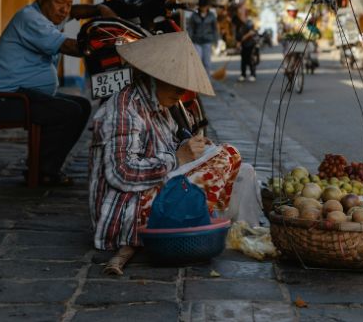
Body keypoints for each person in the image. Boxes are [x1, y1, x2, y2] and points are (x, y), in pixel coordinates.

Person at [89, 31, 255, 274]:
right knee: (226, 156)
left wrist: (195, 149)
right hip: (129, 210)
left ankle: (241, 234)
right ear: (152, 77)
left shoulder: (164, 105)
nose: (180, 91)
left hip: (156, 189)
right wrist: (177, 158)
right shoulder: (125, 108)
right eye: (173, 82)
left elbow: (172, 146)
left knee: (244, 171)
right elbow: (121, 172)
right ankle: (210, 225)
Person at [0, 0, 114, 186]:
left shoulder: (47, 15)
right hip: (6, 101)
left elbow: (74, 12)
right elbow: (69, 46)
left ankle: (45, 165)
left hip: (27, 95)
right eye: (59, 2)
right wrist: (108, 43)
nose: (64, 9)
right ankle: (42, 169)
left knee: (81, 105)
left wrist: (99, 10)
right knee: (69, 111)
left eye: (68, 3)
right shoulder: (30, 19)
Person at [187, 0, 219, 71]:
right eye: (202, 6)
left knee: (207, 63)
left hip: (207, 41)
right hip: (196, 41)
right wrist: (189, 40)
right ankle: (199, 81)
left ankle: (207, 81)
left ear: (207, 6)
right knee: (198, 62)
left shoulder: (212, 15)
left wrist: (216, 41)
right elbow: (191, 29)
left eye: (205, 6)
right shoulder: (194, 15)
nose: (203, 8)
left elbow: (215, 29)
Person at [233, 5, 257, 82]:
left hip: (250, 43)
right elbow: (237, 33)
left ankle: (253, 74)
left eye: (241, 10)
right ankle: (243, 74)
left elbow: (252, 32)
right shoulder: (237, 22)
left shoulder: (249, 21)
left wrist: (244, 37)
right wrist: (238, 42)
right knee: (243, 59)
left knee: (250, 59)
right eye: (239, 10)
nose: (240, 12)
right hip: (242, 44)